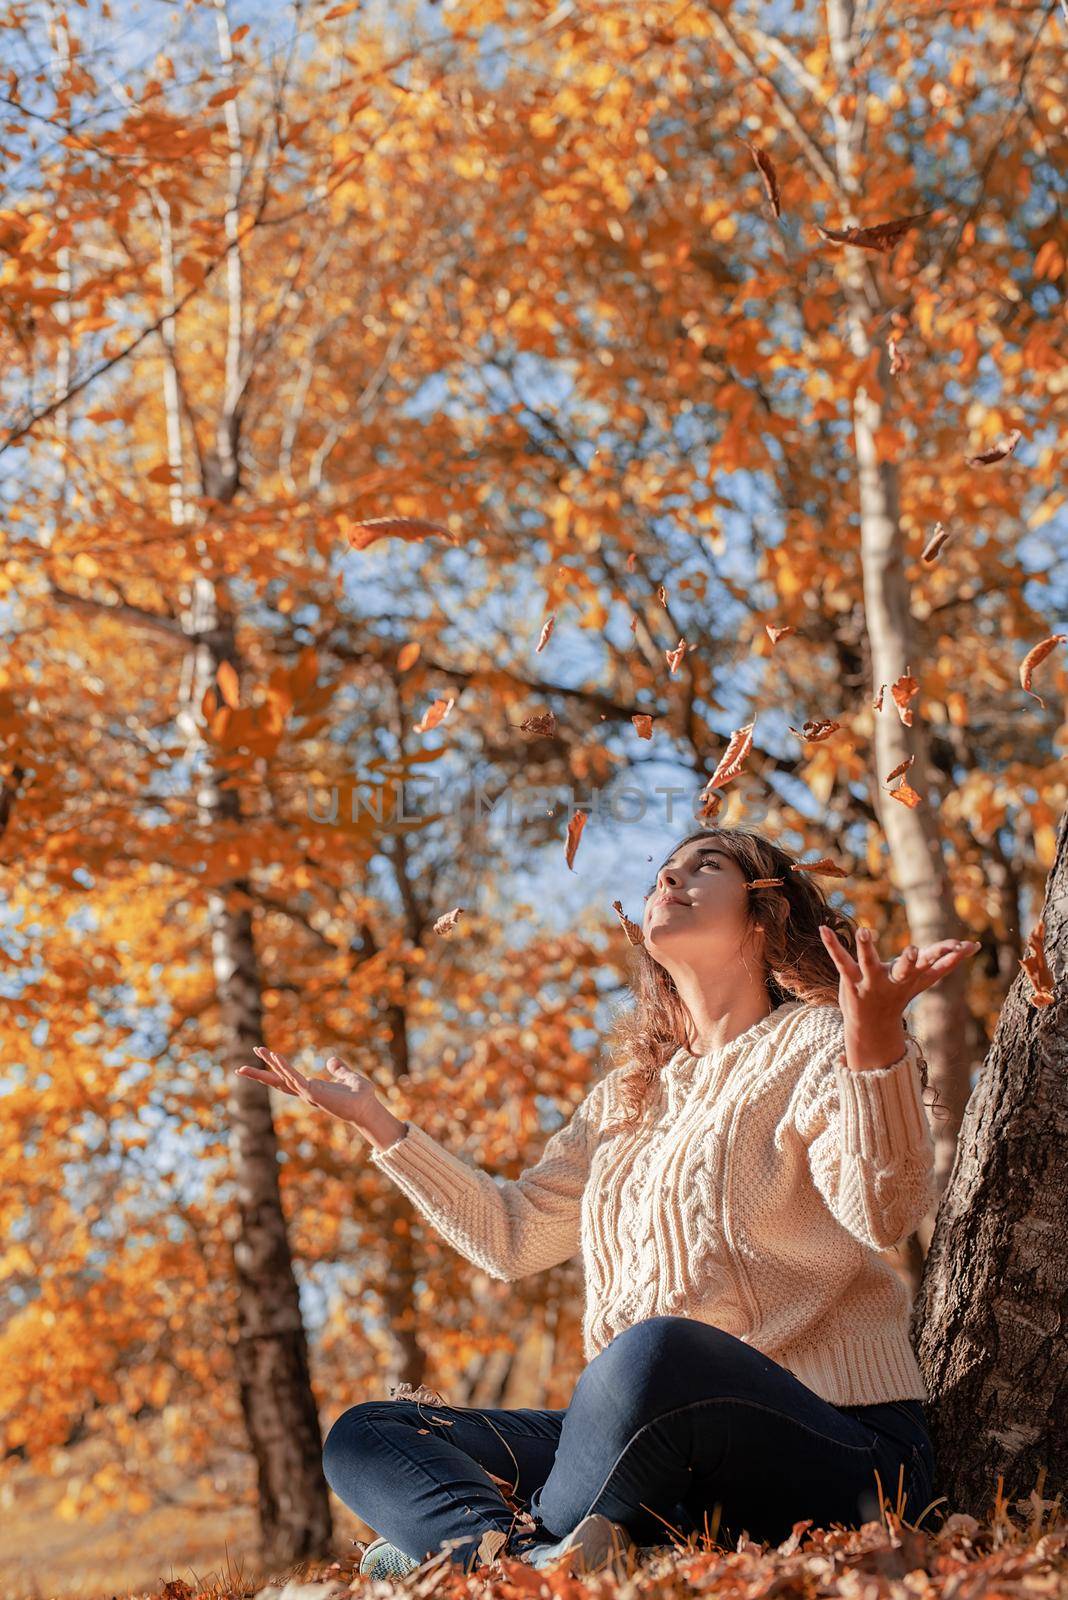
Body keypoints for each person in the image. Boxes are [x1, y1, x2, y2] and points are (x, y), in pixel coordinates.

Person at [236, 825, 973, 1574]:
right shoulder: (629, 1094)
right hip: (644, 1437)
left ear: (766, 913)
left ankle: (469, 1553)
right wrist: (378, 1123)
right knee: (374, 1432)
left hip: (833, 1439)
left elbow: (884, 1210)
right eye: (663, 873)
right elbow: (512, 1237)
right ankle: (527, 1563)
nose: (669, 881)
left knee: (655, 1351)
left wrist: (875, 1044)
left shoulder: (820, 1039)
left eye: (704, 867)